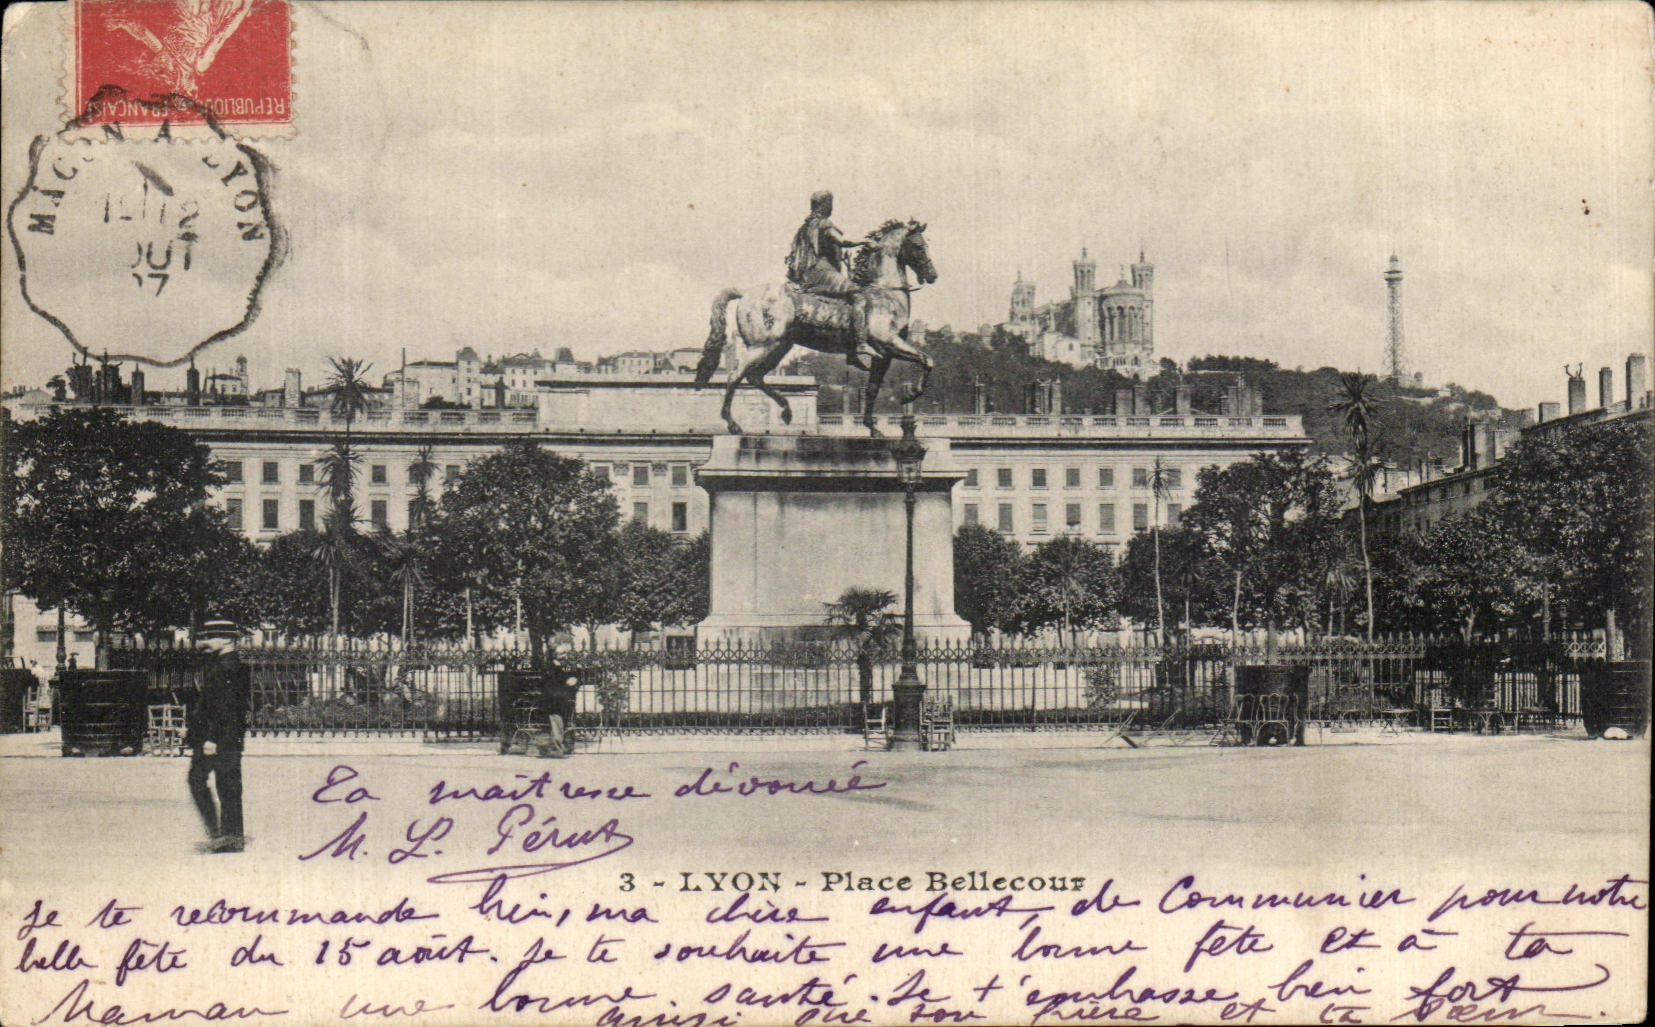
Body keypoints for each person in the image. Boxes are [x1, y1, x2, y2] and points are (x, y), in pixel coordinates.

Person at [786, 190, 877, 371]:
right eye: (830, 203)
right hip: (821, 272)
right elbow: (842, 241)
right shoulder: (823, 223)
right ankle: (860, 344)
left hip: (809, 273)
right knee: (858, 295)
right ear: (825, 205)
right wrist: (865, 242)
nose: (831, 207)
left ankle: (850, 351)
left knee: (845, 302)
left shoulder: (806, 226)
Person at [187, 618, 250, 853]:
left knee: (224, 783)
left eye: (210, 637)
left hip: (221, 737)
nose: (204, 642)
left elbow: (227, 707)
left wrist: (213, 737)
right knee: (218, 782)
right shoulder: (222, 664)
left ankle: (228, 836)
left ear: (226, 639)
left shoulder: (229, 667)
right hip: (218, 736)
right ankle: (225, 834)